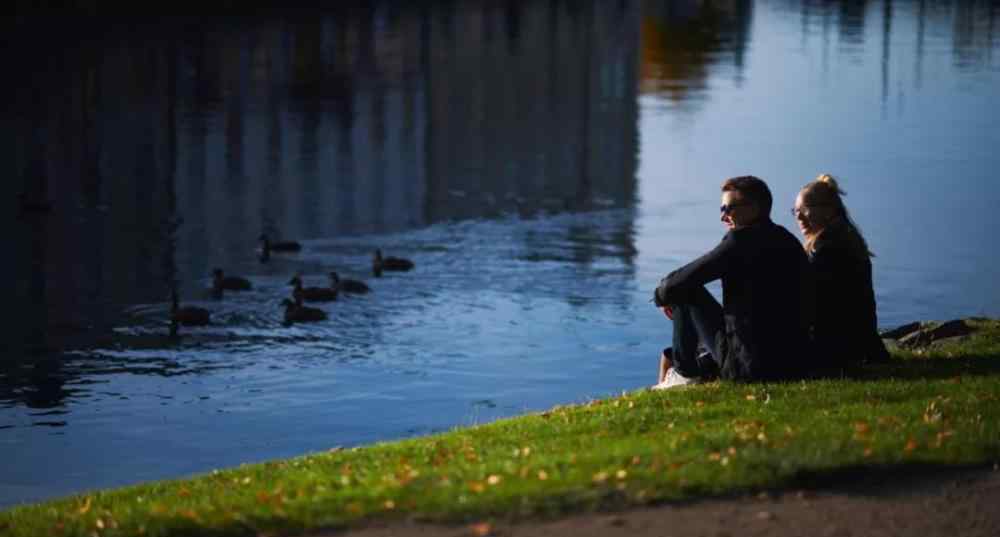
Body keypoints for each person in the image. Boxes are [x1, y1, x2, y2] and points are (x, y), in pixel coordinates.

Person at [652, 176, 813, 388]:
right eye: (721, 209)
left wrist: (661, 295)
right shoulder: (786, 239)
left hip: (748, 367)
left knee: (684, 289)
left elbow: (682, 281)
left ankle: (684, 373)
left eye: (728, 209)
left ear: (754, 208)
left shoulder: (740, 242)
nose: (723, 217)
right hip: (793, 361)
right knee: (681, 287)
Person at [793, 174, 889, 373]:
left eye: (805, 209)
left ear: (829, 210)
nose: (799, 217)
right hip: (860, 344)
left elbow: (809, 304)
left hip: (837, 351)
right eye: (796, 211)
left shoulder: (827, 248)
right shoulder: (846, 236)